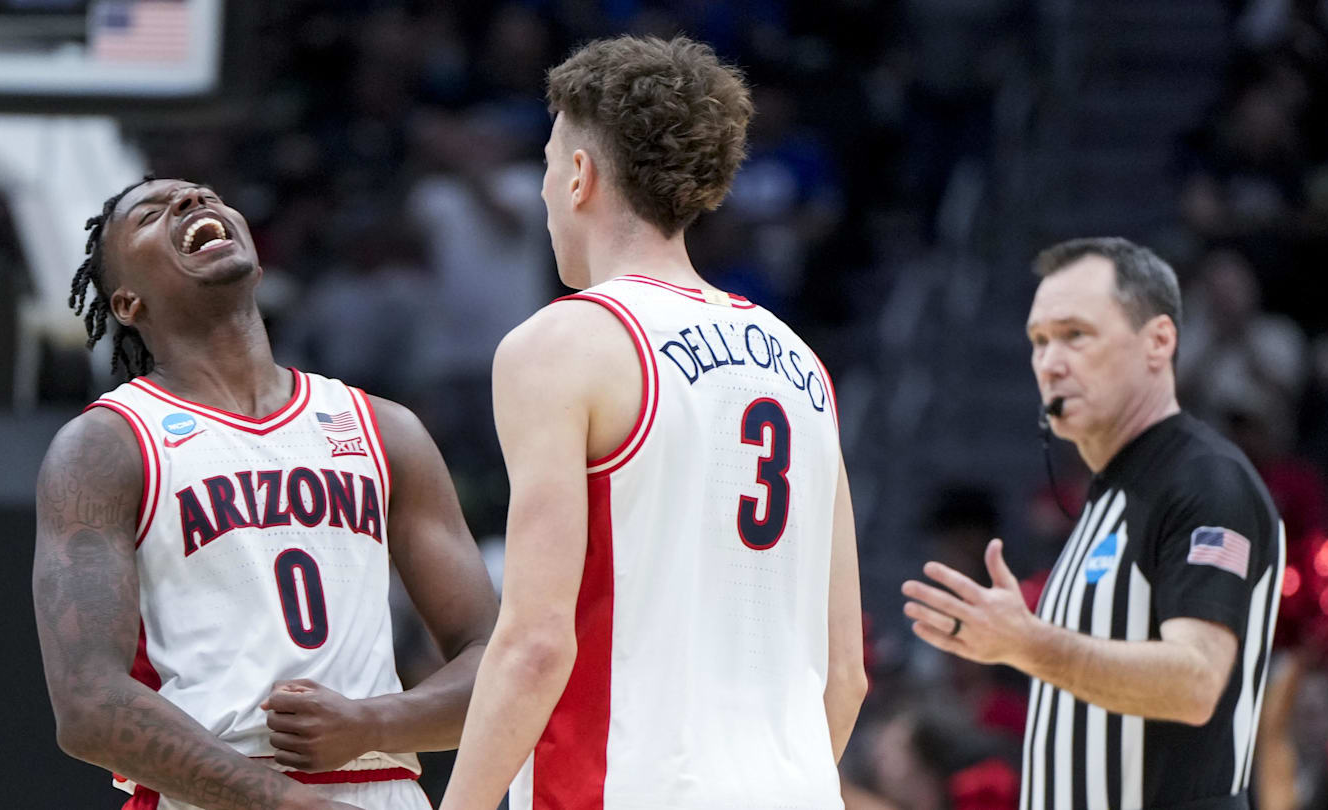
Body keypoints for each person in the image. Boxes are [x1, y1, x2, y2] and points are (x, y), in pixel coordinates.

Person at [439, 35, 868, 810]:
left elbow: (535, 645)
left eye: (545, 164)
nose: (541, 193)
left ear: (579, 176)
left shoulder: (563, 344)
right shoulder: (800, 360)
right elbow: (846, 673)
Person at [32, 178, 500, 810]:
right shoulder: (105, 445)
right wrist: (286, 803)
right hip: (213, 792)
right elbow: (88, 705)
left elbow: (497, 658)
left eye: (204, 195)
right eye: (150, 215)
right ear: (126, 303)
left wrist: (376, 723)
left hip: (380, 780)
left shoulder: (384, 428)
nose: (192, 203)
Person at [902, 237, 1285, 810]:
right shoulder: (1108, 496)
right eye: (1039, 341)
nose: (1050, 363)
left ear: (1158, 342)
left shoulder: (1204, 480)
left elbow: (1195, 682)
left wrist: (1030, 645)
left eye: (1076, 335)